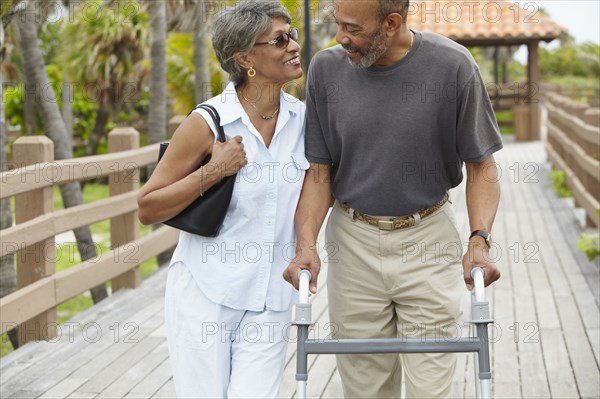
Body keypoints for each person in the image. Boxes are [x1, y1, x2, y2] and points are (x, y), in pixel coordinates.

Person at [283, 0, 502, 397]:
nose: (340, 38)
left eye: (352, 28)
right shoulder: (326, 69)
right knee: (365, 388)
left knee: (430, 386)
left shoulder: (453, 67)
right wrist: (305, 247)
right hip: (353, 242)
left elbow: (482, 168)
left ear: (391, 24)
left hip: (428, 239)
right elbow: (319, 174)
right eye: (338, 25)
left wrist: (479, 241)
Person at [137, 1, 306, 397]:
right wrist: (214, 171)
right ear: (245, 57)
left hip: (271, 297)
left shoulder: (303, 121)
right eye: (280, 40)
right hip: (207, 293)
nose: (294, 45)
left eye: (293, 34)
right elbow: (148, 206)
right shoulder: (207, 121)